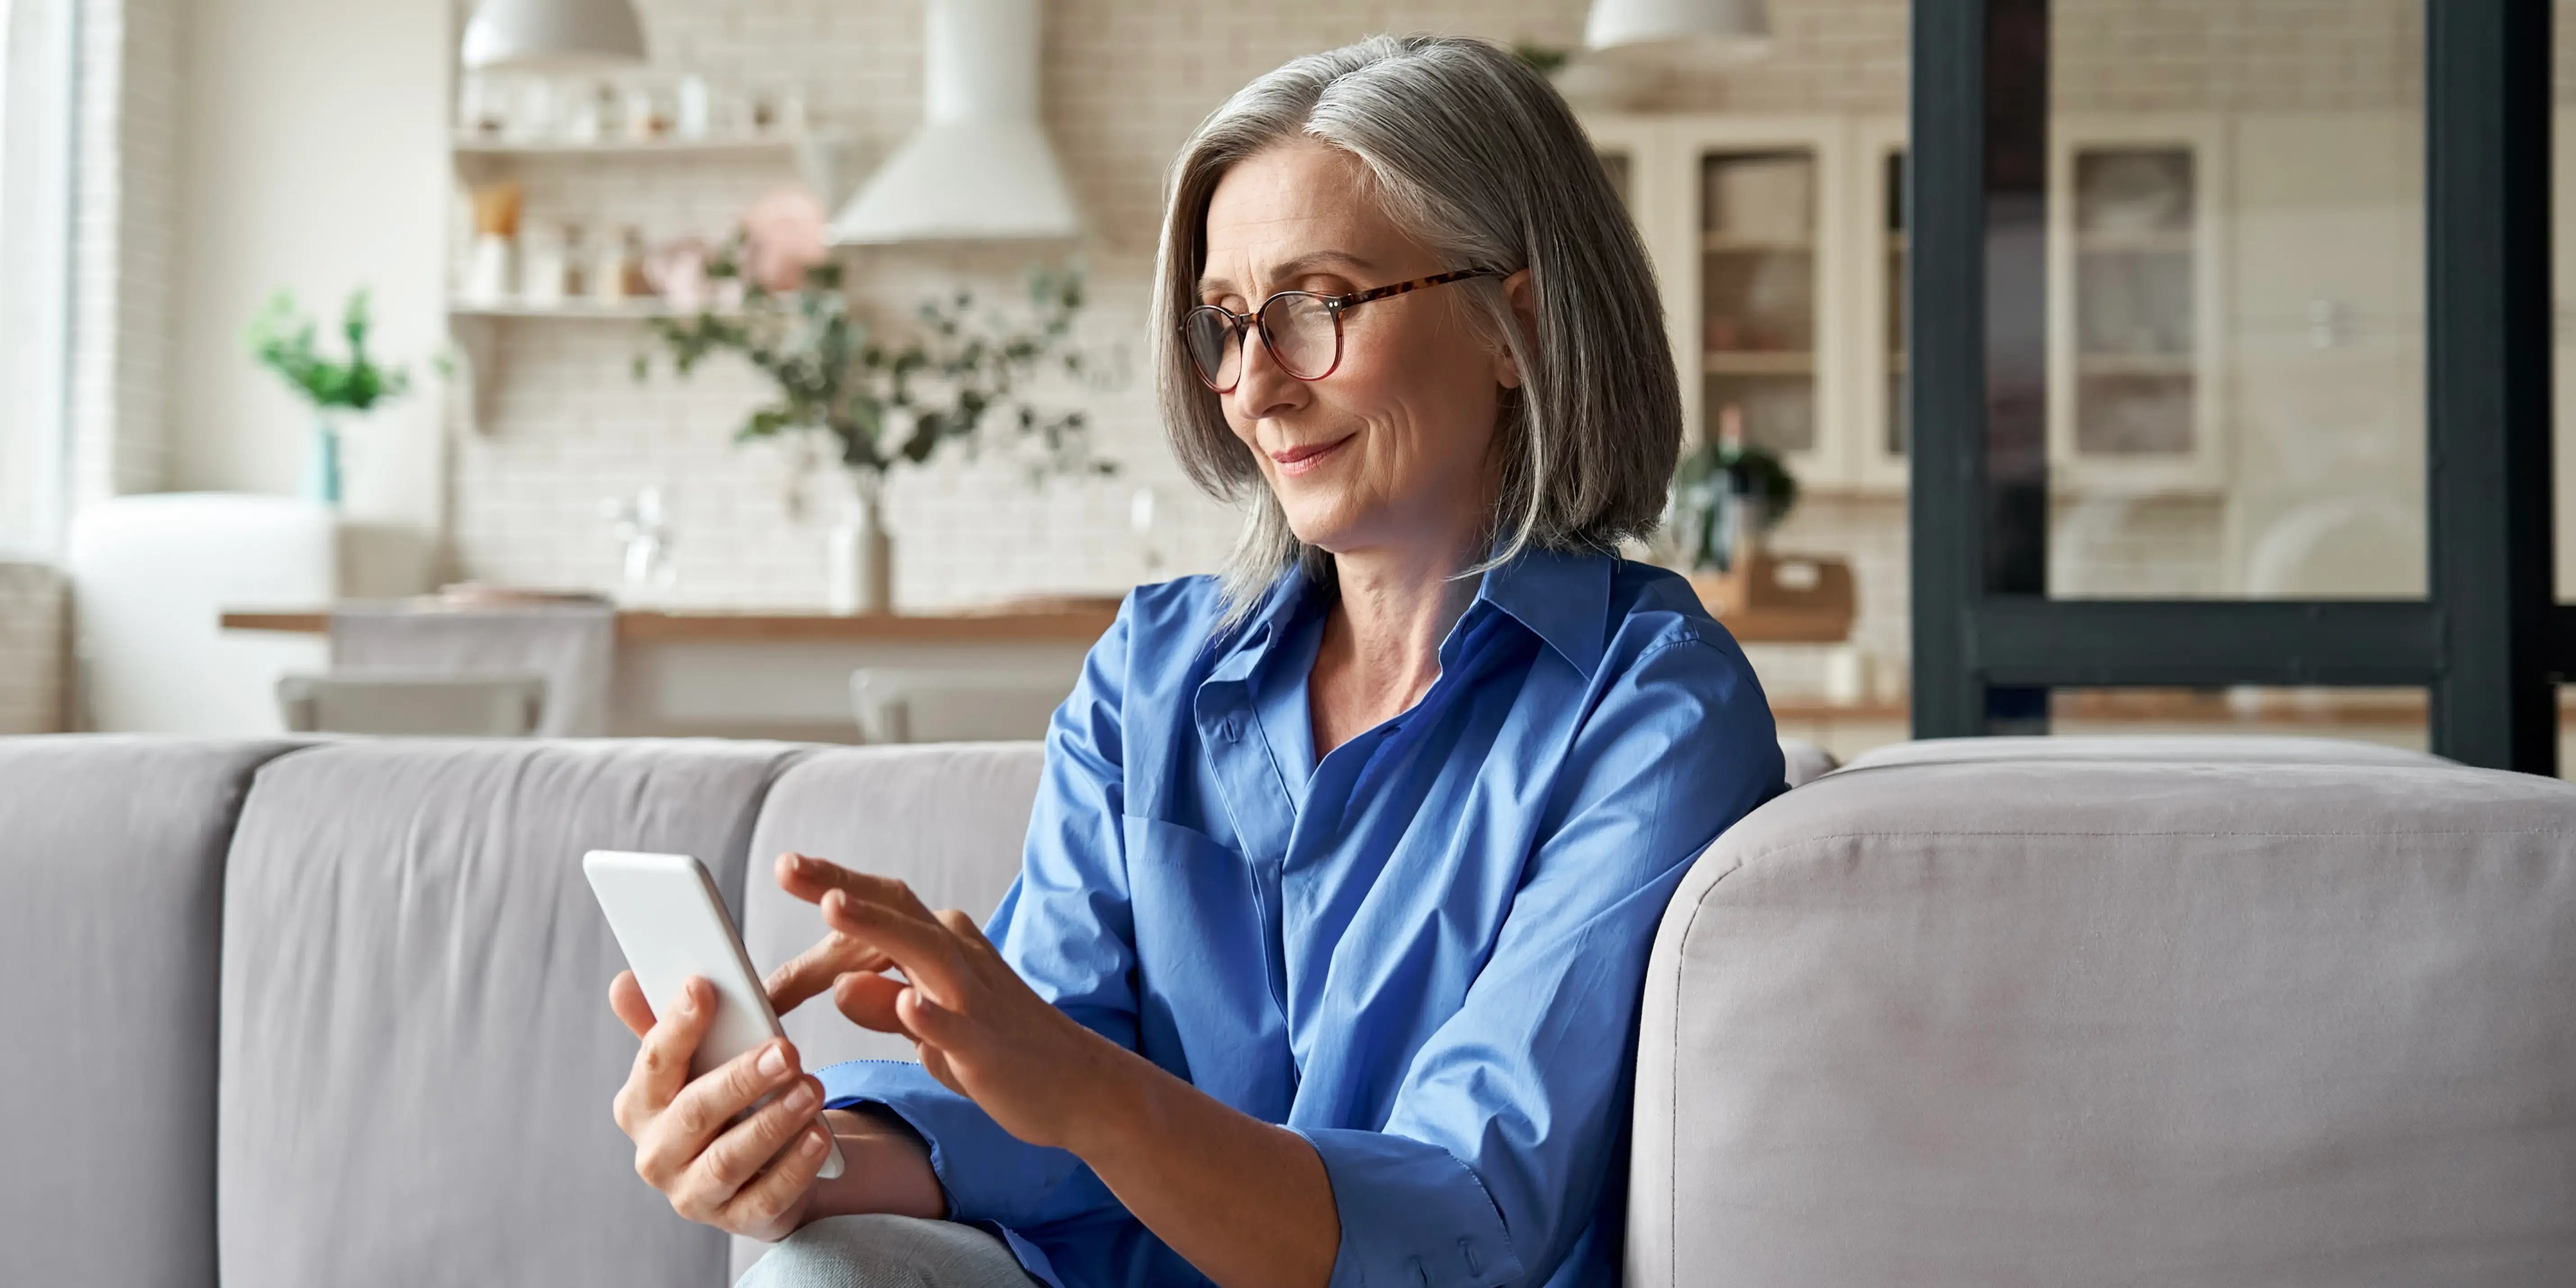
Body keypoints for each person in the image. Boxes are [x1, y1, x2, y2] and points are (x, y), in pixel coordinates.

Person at [606, 33, 1785, 1288]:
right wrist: (796, 1148)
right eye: (1226, 325)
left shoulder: (1651, 704)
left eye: (1316, 306)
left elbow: (1471, 1214)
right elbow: (1044, 1118)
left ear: (1515, 324)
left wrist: (1076, 1087)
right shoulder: (1153, 671)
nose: (1254, 389)